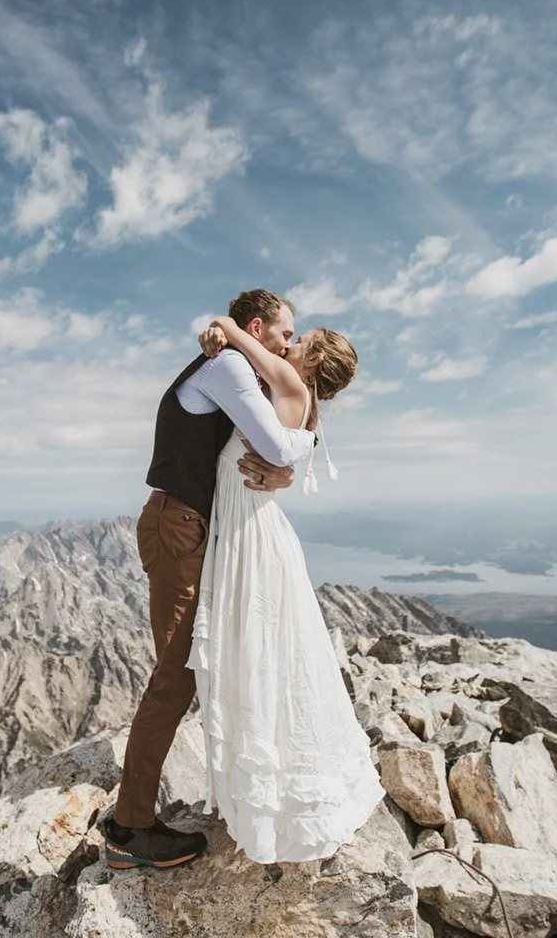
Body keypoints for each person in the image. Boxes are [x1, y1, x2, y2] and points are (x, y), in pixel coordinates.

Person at [102, 289, 315, 871]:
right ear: (256, 327)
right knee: (174, 676)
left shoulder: (232, 362)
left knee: (187, 672)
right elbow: (275, 443)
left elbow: (258, 452)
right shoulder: (227, 366)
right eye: (285, 333)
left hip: (188, 527)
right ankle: (129, 828)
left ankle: (137, 813)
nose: (289, 343)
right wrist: (309, 445)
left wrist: (283, 476)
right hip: (179, 527)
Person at [183, 313, 384, 864]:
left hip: (252, 535)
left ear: (313, 360)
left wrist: (222, 323)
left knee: (261, 652)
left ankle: (274, 801)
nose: (289, 344)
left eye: (300, 341)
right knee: (268, 653)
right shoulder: (298, 399)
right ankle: (271, 795)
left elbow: (253, 353)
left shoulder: (290, 384)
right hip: (251, 530)